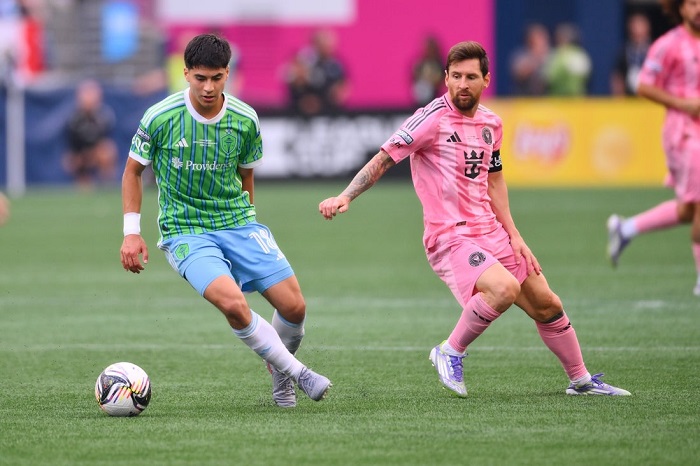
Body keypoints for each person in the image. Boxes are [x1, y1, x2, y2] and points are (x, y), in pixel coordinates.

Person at [319, 41, 630, 397]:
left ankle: (581, 381)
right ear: (446, 78)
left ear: (486, 80)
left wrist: (515, 235)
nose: (462, 84)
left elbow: (494, 181)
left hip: (491, 231)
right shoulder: (431, 119)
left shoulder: (491, 124)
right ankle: (450, 350)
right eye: (455, 76)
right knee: (504, 289)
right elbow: (384, 158)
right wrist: (345, 196)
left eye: (470, 77)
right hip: (449, 237)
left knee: (548, 304)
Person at [120, 33, 331, 407]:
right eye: (200, 78)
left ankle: (279, 368)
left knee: (295, 307)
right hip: (186, 231)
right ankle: (297, 374)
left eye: (216, 78)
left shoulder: (245, 119)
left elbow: (246, 177)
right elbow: (132, 172)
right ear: (186, 73)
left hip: (238, 223)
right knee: (234, 305)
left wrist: (249, 227)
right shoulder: (160, 117)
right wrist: (131, 233)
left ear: (228, 74)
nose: (208, 87)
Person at [607, 0, 700, 296]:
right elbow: (644, 85)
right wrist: (683, 103)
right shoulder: (668, 44)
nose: (698, 9)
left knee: (689, 209)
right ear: (680, 9)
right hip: (684, 133)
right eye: (693, 3)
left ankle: (626, 228)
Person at [62, 79, 118, 188]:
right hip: (80, 155)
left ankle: (107, 183)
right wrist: (80, 158)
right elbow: (70, 146)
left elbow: (107, 141)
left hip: (96, 153)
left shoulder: (105, 116)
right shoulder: (73, 118)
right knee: (71, 161)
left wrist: (93, 155)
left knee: (107, 151)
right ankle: (83, 181)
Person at [284, 28, 348, 116]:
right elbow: (295, 82)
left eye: (329, 45)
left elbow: (344, 85)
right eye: (323, 45)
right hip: (302, 110)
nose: (327, 48)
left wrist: (337, 93)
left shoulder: (336, 64)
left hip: (329, 109)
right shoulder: (304, 60)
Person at [610, 12, 652, 96]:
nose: (637, 29)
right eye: (634, 25)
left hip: (650, 97)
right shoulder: (624, 51)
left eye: (640, 25)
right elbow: (618, 76)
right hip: (629, 97)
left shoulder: (654, 49)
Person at [545, 23, 592, 96]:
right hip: (578, 99)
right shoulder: (581, 55)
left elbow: (548, 77)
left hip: (558, 99)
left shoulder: (557, 55)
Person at [508, 23, 551, 96]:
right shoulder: (520, 56)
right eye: (536, 39)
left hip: (548, 99)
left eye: (542, 39)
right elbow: (519, 73)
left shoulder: (552, 56)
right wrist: (536, 58)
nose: (540, 42)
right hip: (524, 98)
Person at [412, 35, 445, 105]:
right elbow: (414, 76)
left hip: (435, 97)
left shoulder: (440, 63)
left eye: (431, 48)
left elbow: (443, 79)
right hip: (422, 95)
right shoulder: (421, 62)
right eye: (428, 48)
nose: (430, 50)